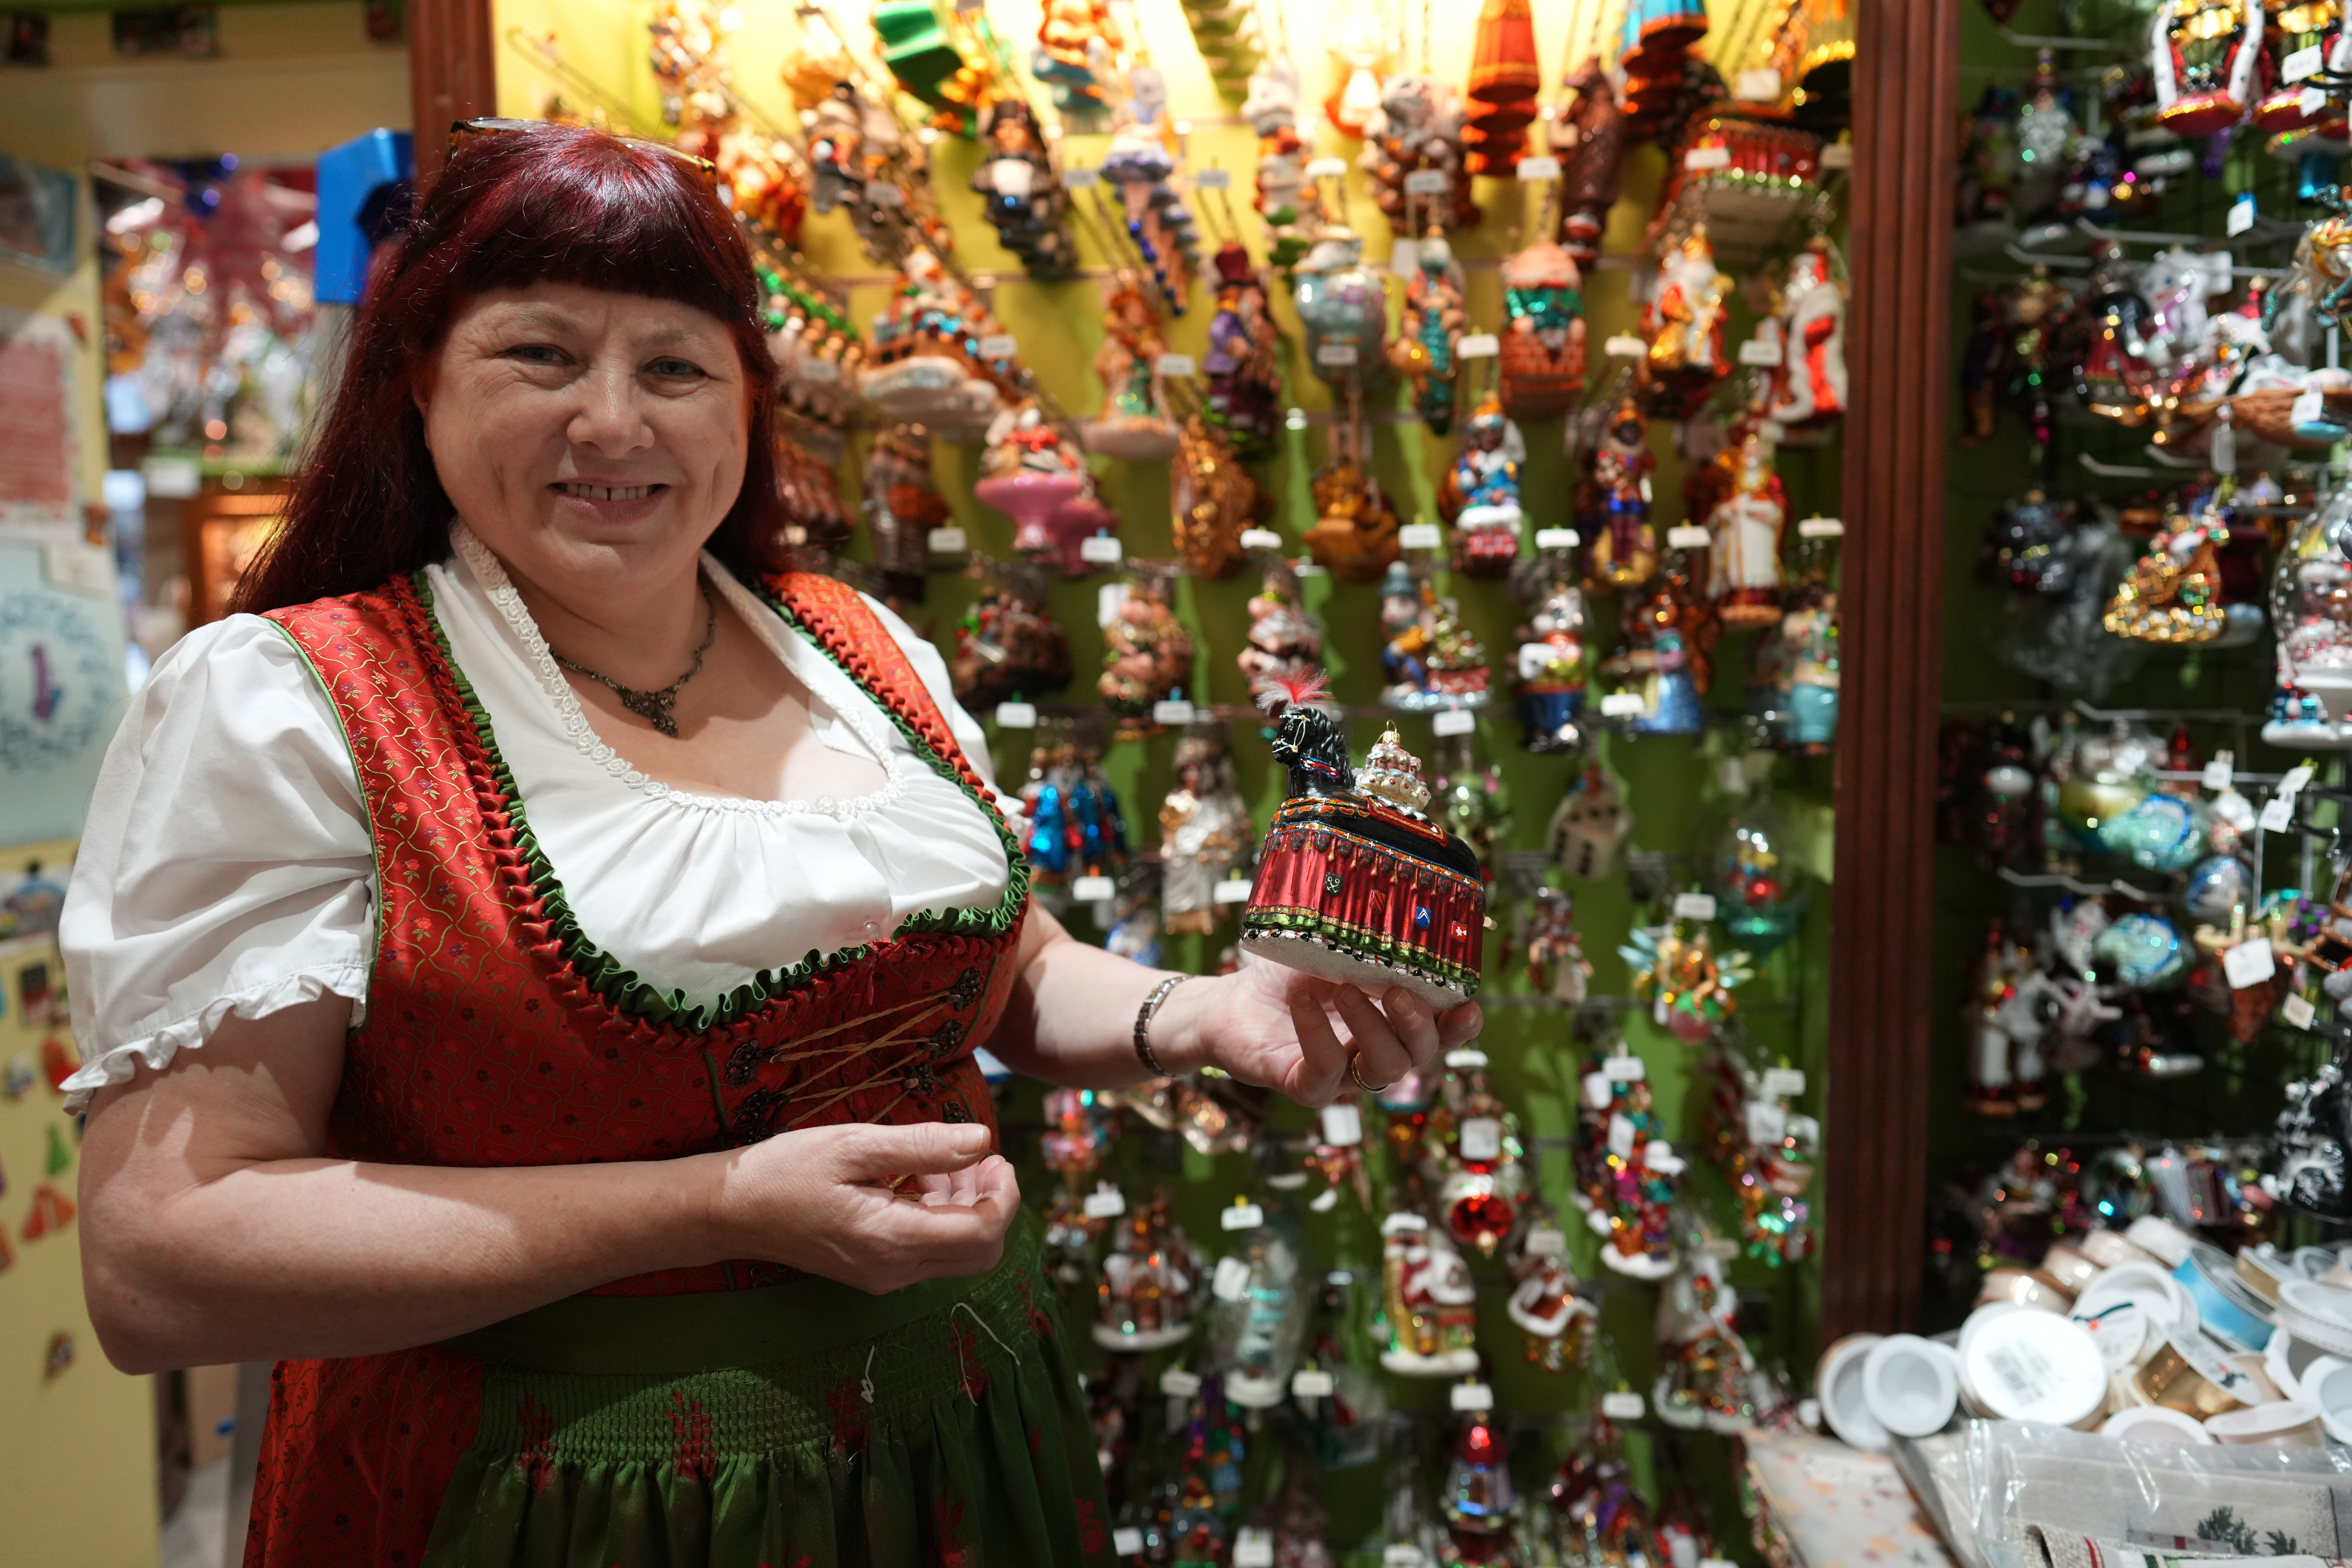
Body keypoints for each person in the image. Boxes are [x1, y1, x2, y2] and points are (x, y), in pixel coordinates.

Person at [61, 123, 1479, 1567]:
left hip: (964, 1450)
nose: (614, 423)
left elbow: (998, 971)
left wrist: (1206, 1013)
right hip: (554, 1500)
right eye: (540, 356)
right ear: (417, 379)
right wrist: (721, 1207)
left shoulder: (857, 645)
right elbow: (166, 1261)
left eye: (673, 367)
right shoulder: (293, 703)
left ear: (750, 404)